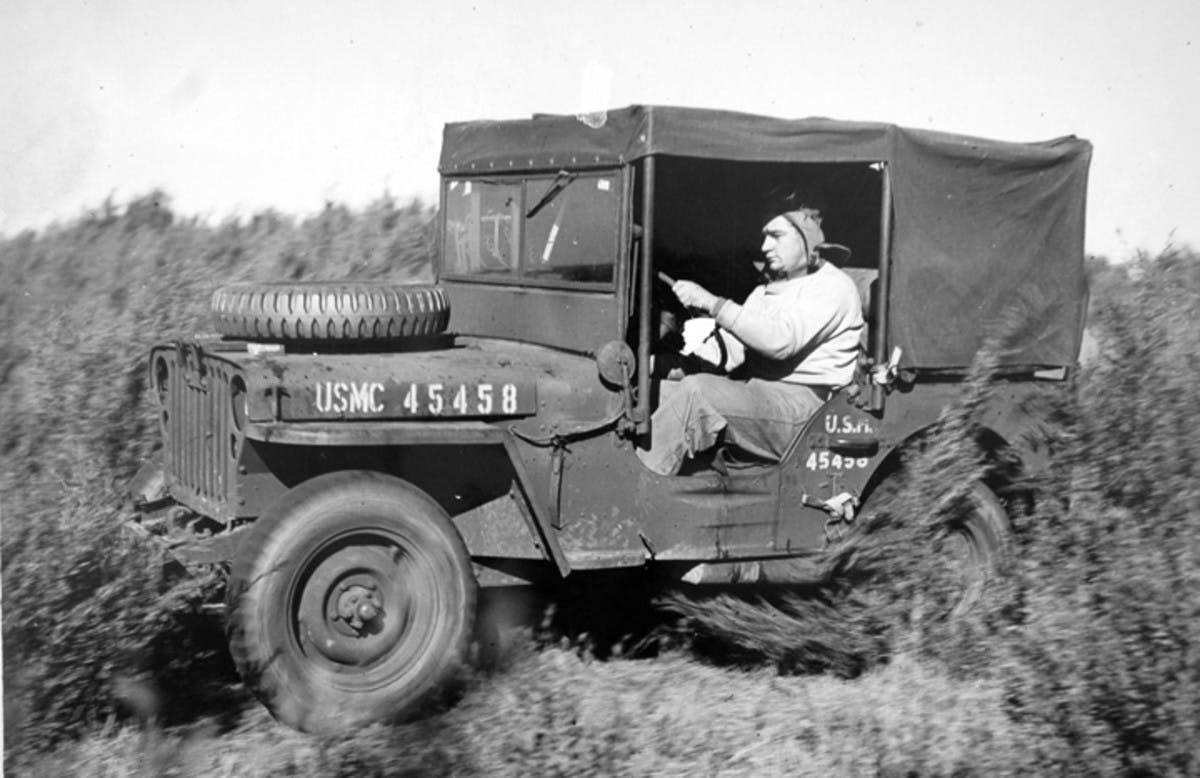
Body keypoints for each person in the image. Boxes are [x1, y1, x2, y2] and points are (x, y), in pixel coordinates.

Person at [637, 197, 864, 476]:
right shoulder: (767, 291)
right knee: (655, 392)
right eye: (764, 237)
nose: (764, 247)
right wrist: (648, 367)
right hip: (761, 395)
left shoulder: (832, 287)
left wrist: (712, 303)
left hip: (806, 412)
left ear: (808, 241)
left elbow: (780, 342)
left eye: (776, 236)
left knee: (699, 394)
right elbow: (727, 354)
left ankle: (632, 495)